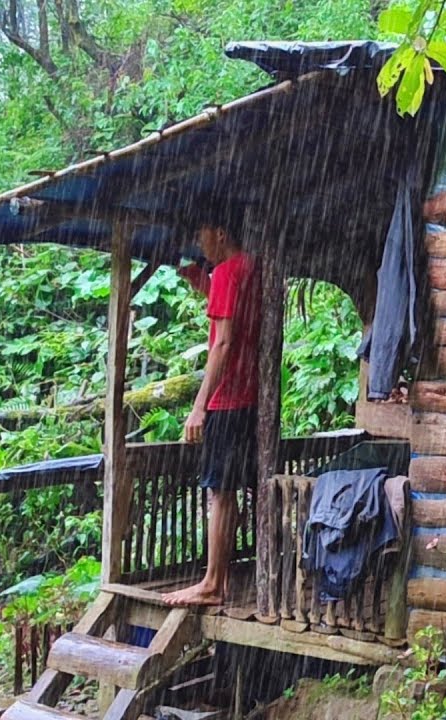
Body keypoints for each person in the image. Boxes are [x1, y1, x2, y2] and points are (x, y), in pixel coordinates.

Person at [162, 207, 261, 607]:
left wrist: (200, 406)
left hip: (227, 397)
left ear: (221, 231)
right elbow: (243, 322)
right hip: (252, 396)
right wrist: (205, 285)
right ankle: (220, 576)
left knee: (219, 493)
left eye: (201, 233)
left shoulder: (226, 272)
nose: (198, 242)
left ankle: (212, 583)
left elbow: (222, 342)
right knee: (232, 488)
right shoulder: (251, 266)